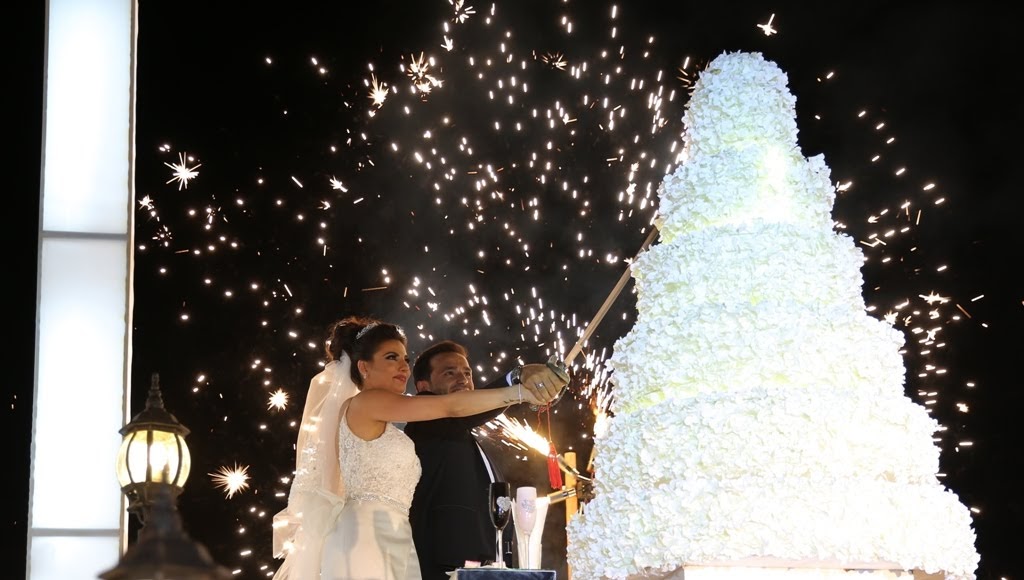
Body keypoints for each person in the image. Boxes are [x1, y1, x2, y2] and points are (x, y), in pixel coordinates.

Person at [272, 317, 562, 580]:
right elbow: (452, 407)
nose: (403, 367)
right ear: (364, 367)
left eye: (405, 359)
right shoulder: (366, 404)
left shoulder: (390, 425)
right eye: (391, 357)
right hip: (365, 536)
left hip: (397, 537)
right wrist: (520, 390)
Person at [405, 340, 570, 580]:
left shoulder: (466, 437)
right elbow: (455, 411)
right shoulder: (423, 423)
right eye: (449, 373)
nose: (462, 379)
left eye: (467, 373)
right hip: (444, 568)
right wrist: (517, 380)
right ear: (423, 387)